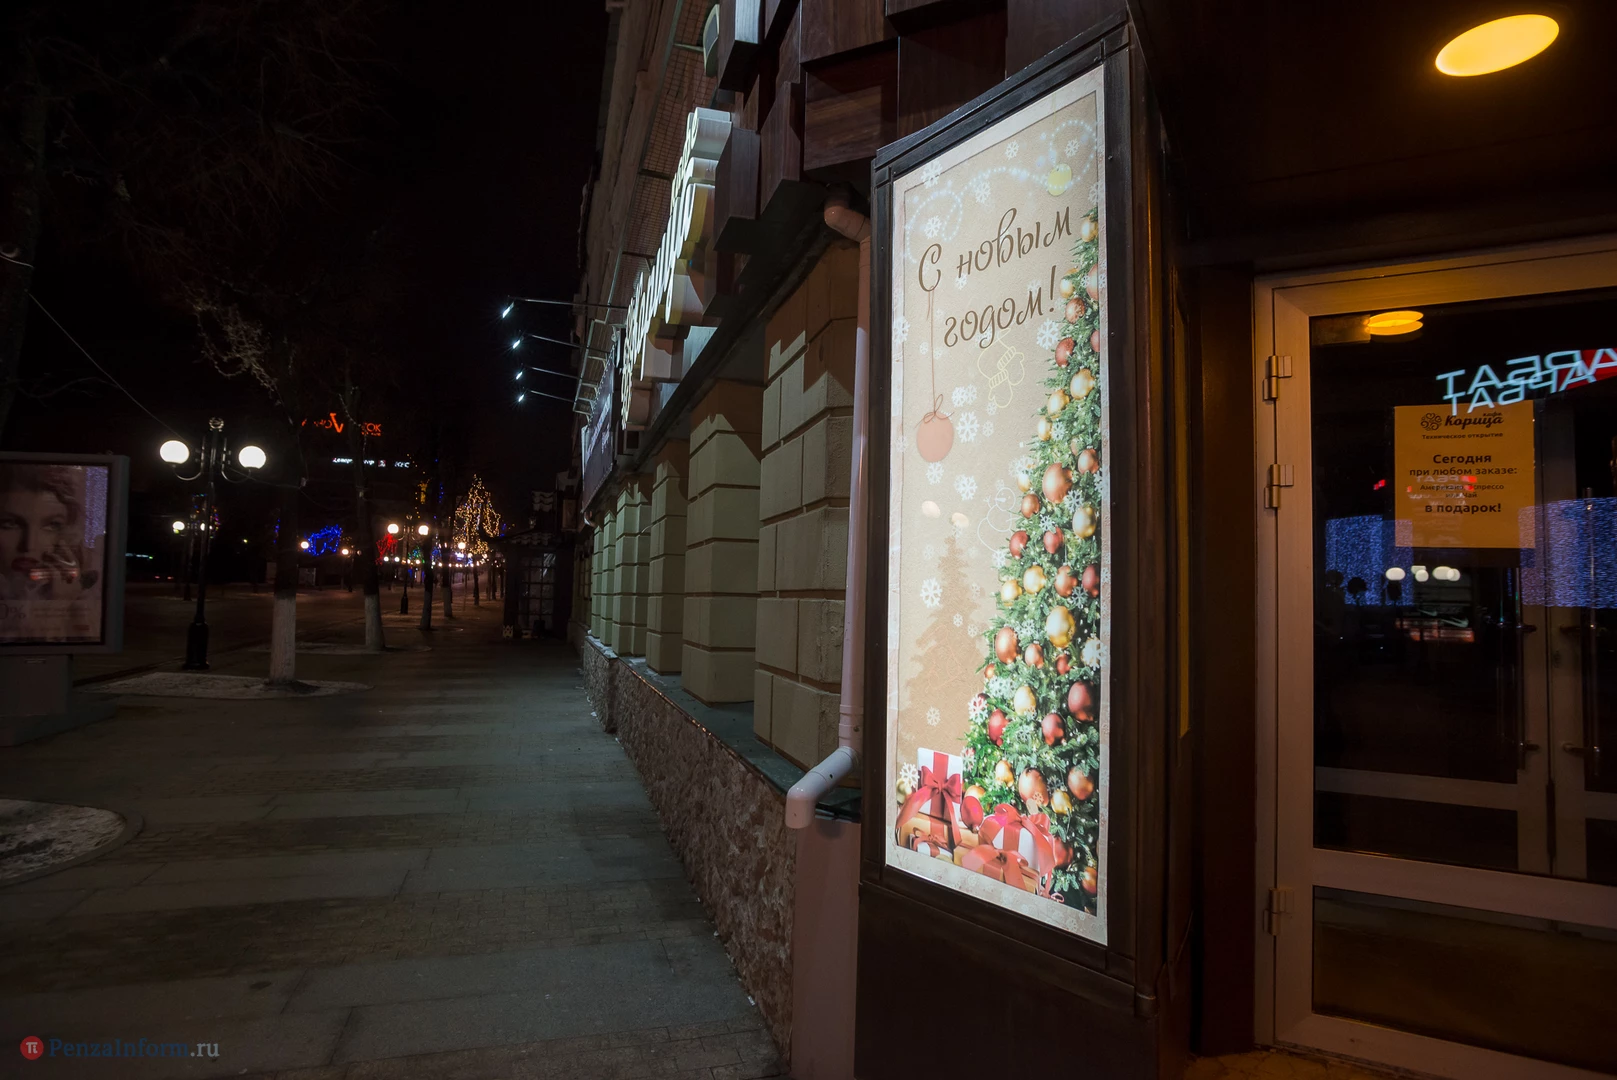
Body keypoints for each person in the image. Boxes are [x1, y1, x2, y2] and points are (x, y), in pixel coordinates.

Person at [0, 464, 101, 643]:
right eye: (10, 524)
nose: (29, 545)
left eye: (52, 525)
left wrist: (62, 602)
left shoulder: (78, 597)